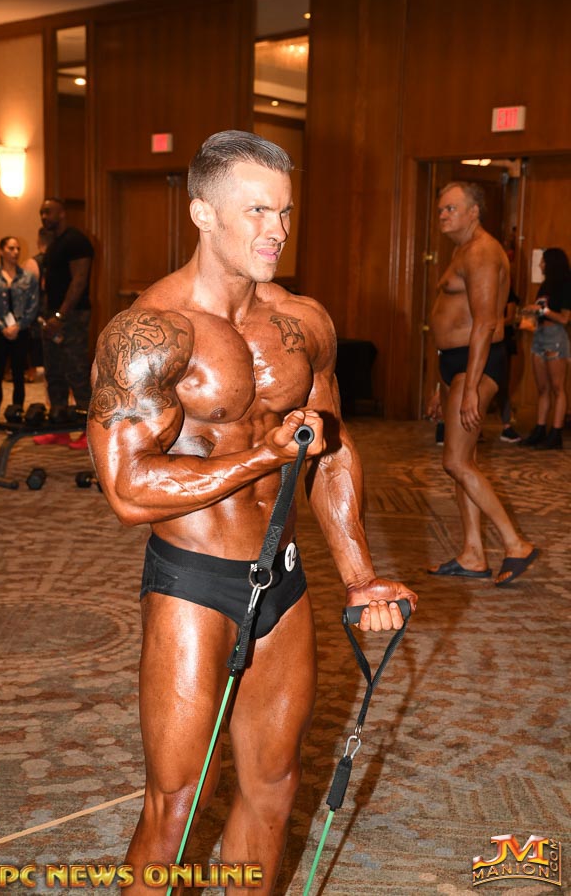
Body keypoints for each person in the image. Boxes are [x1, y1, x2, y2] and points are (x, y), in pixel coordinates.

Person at [87, 130, 417, 895]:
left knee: (274, 786)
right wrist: (262, 458)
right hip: (192, 584)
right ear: (203, 213)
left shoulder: (302, 321)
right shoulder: (149, 331)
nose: (278, 229)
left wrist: (359, 574)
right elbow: (128, 490)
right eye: (258, 211)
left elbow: (330, 447)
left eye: (285, 211)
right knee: (175, 805)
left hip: (283, 582)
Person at [426, 181, 538, 586]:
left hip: (477, 364)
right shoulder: (461, 250)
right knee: (464, 462)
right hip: (455, 365)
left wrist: (471, 386)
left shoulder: (481, 251)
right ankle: (473, 554)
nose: (443, 215)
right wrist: (438, 386)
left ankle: (516, 544)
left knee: (455, 461)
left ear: (474, 212)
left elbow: (487, 322)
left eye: (451, 208)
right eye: (441, 209)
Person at [33, 197, 94, 450]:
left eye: (48, 212)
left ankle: (90, 433)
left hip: (72, 316)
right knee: (54, 371)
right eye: (42, 212)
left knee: (76, 371)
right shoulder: (54, 244)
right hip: (52, 316)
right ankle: (59, 427)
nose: (44, 216)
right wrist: (47, 316)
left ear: (62, 213)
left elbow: (79, 281)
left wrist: (60, 316)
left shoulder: (76, 241)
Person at [0, 236, 38, 432]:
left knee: (19, 375)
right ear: (1, 250)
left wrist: (18, 326)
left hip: (20, 332)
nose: (15, 252)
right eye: (11, 248)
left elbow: (33, 305)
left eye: (17, 248)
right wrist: (2, 327)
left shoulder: (28, 278)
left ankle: (16, 415)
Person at [519, 247, 571, 450]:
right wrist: (529, 314)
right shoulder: (545, 286)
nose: (540, 265)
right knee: (542, 388)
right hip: (539, 335)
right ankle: (540, 429)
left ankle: (556, 432)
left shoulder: (566, 285)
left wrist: (543, 310)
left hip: (555, 337)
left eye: (543, 261)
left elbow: (565, 318)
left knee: (558, 387)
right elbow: (539, 311)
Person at [23, 226, 53, 382]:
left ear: (38, 240)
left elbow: (26, 292)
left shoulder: (32, 263)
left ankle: (32, 371)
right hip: (56, 308)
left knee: (34, 339)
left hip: (38, 309)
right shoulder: (61, 261)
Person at [497, 282, 522, 442]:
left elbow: (510, 317)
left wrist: (492, 324)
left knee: (502, 384)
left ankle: (506, 426)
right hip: (482, 340)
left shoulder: (507, 290)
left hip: (502, 341)